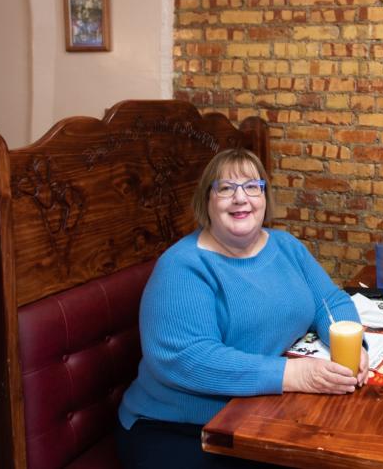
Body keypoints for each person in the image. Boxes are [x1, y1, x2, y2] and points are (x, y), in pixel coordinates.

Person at [117, 147, 368, 468]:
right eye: (226, 188)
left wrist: (351, 345)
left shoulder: (286, 246)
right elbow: (188, 358)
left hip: (258, 414)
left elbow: (329, 302)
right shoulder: (181, 267)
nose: (241, 198)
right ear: (206, 201)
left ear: (265, 197)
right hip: (179, 429)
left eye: (253, 187)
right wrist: (292, 374)